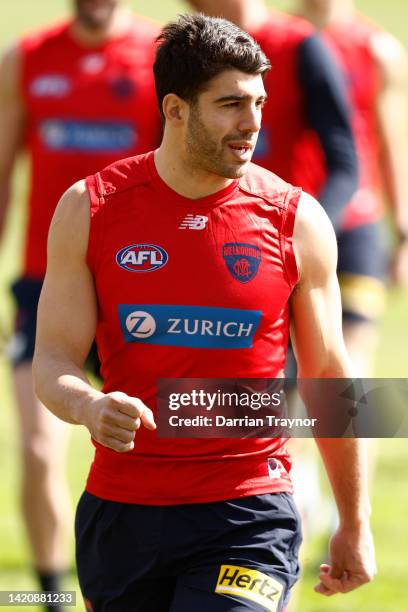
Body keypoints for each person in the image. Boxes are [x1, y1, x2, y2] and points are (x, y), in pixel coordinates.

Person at [33, 13, 375, 612]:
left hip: (248, 514)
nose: (253, 125)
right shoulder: (90, 209)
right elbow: (54, 359)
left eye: (260, 102)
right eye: (231, 104)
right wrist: (88, 405)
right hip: (121, 517)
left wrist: (355, 519)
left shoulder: (297, 220)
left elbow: (331, 379)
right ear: (175, 110)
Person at [0, 0, 160, 604]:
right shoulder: (26, 59)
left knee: (152, 444)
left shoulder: (156, 58)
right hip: (44, 286)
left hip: (137, 286)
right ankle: (49, 597)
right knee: (39, 451)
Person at [294, 0, 408, 375]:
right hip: (292, 221)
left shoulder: (377, 48)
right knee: (284, 371)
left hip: (358, 222)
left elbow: (389, 141)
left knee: (352, 361)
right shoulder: (278, 40)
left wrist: (403, 234)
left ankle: (352, 436)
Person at [187, 0, 358, 232]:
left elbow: (343, 163)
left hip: (293, 227)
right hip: (217, 229)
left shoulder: (299, 46)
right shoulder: (189, 54)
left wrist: (308, 230)